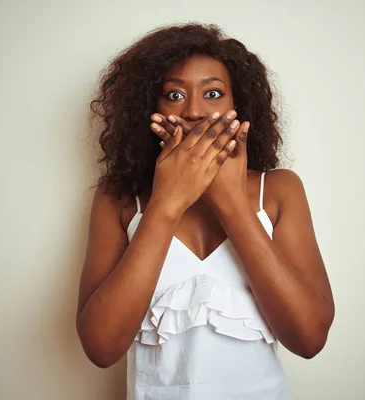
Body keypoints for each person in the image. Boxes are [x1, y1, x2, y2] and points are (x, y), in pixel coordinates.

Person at [76, 23, 334, 399]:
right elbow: (100, 348)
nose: (195, 111)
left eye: (213, 93)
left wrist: (230, 201)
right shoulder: (118, 199)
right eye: (174, 94)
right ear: (149, 108)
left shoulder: (278, 190)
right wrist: (167, 202)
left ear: (238, 105)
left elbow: (309, 339)